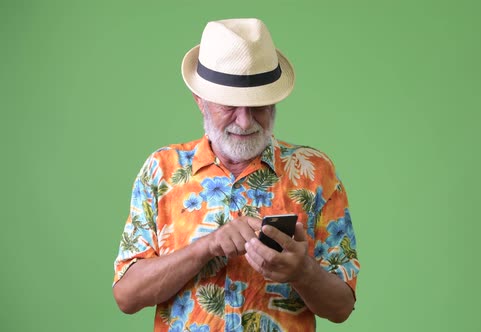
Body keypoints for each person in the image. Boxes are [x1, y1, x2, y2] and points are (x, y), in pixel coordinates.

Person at [112, 18, 360, 332]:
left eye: (258, 106)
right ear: (199, 101)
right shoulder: (161, 170)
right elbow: (127, 296)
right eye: (230, 105)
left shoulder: (314, 172)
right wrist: (207, 246)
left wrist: (303, 272)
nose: (245, 122)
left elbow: (341, 308)